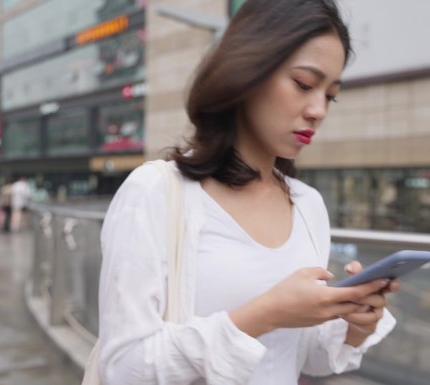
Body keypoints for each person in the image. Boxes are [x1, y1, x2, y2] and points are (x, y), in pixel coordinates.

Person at [93, 1, 399, 384]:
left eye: (330, 95)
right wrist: (266, 313)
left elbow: (305, 357)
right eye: (304, 84)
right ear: (248, 71)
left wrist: (354, 324)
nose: (318, 109)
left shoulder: (308, 205)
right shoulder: (155, 191)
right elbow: (124, 369)